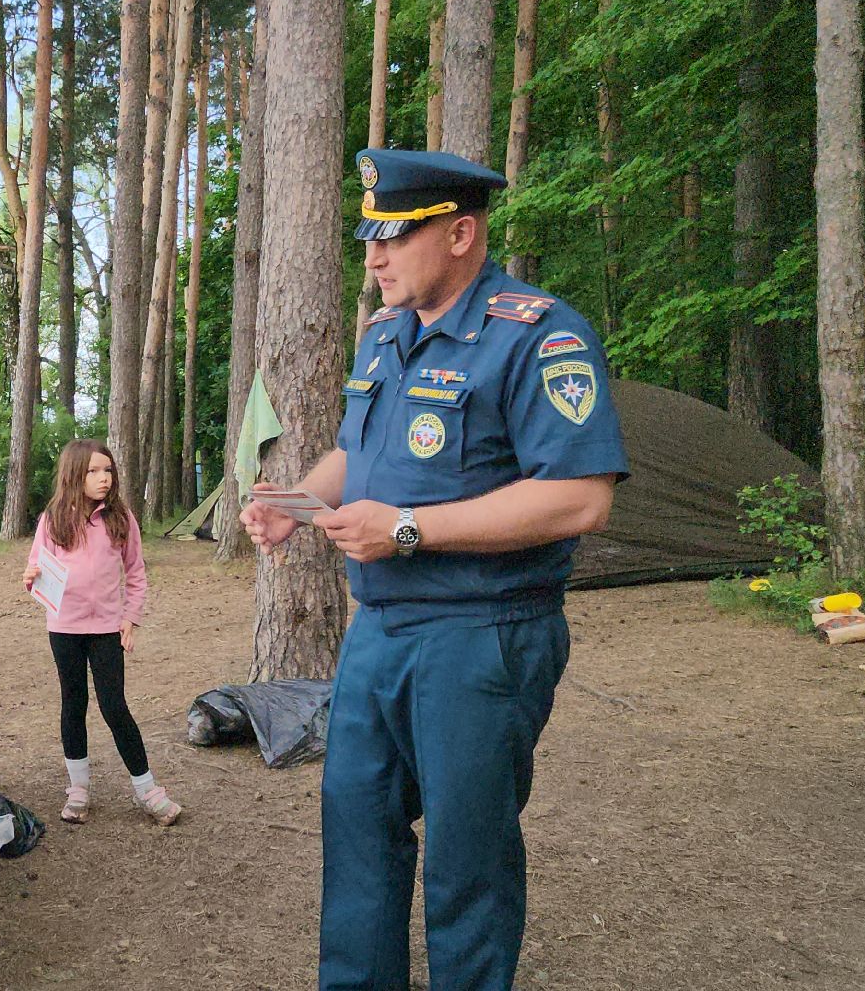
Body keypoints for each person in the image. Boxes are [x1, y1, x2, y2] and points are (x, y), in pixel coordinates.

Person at [240, 148, 629, 991]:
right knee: (356, 833)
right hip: (377, 634)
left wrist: (409, 530)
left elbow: (579, 499)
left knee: (468, 854)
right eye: (367, 239)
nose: (373, 257)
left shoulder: (539, 334)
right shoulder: (385, 335)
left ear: (460, 233)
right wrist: (296, 505)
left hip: (480, 635)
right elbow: (358, 452)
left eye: (395, 238)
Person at [21, 438, 181, 826]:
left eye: (107, 470)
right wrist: (31, 579)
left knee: (114, 707)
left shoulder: (120, 517)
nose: (103, 478)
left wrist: (130, 617)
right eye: (93, 471)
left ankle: (148, 791)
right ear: (75, 474)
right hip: (64, 628)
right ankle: (78, 789)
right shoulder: (53, 518)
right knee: (73, 703)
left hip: (107, 628)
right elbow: (36, 573)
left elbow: (137, 574)